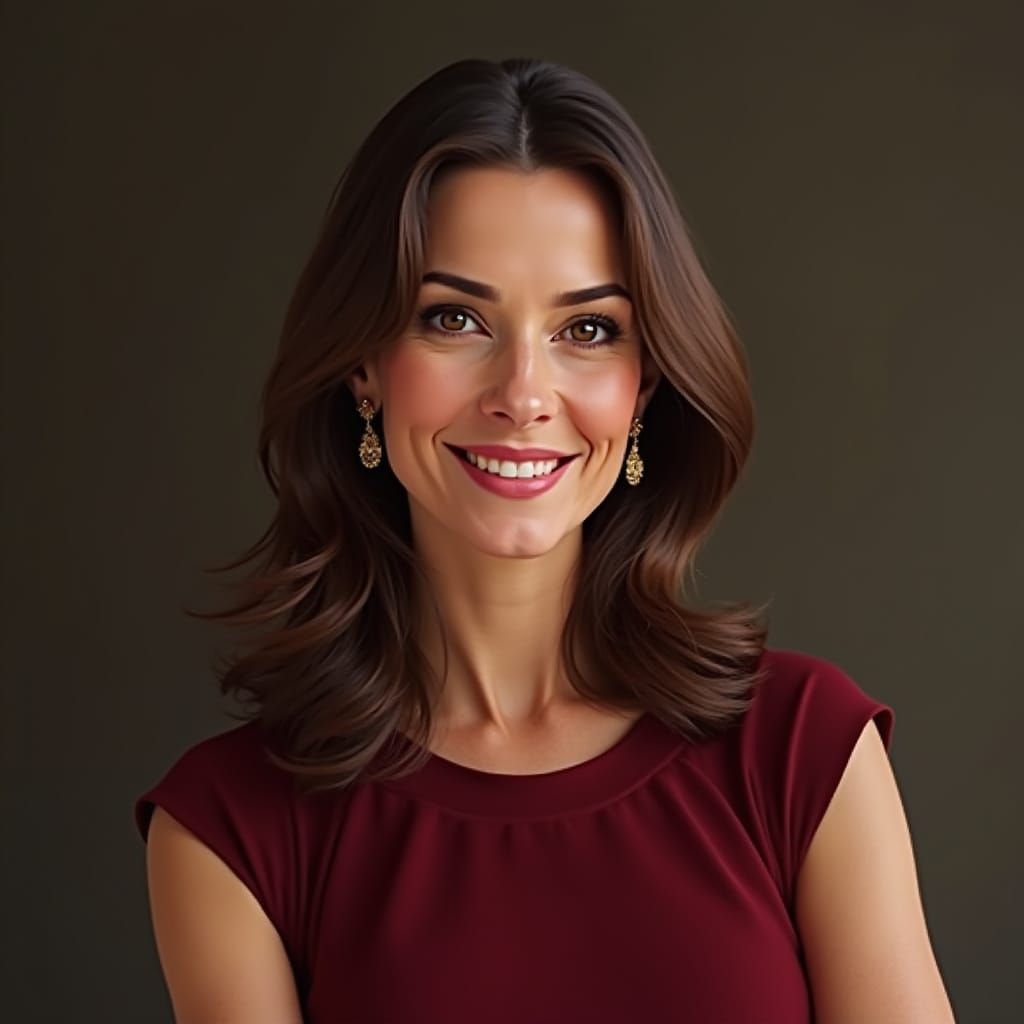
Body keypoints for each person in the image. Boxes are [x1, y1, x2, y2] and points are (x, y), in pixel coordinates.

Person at [133, 57, 956, 1023]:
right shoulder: (230, 830)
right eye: (454, 319)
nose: (523, 393)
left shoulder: (803, 753)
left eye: (588, 330)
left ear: (646, 384)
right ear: (363, 366)